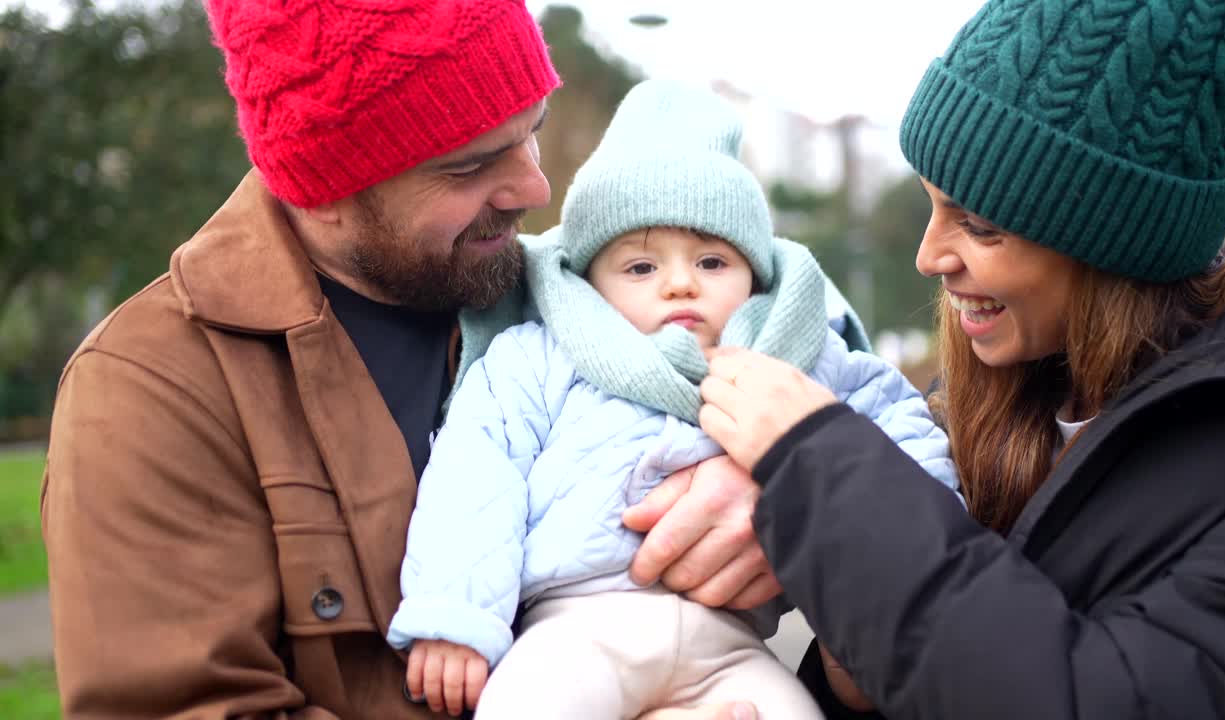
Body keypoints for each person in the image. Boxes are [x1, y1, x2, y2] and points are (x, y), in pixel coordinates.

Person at [39, 2, 770, 718]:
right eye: (471, 166)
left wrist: (784, 496)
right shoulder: (151, 390)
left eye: (532, 133)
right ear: (323, 189)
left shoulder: (586, 299)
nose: (533, 189)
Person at [687, 0, 1225, 717]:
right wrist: (848, 683)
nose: (929, 255)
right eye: (931, 204)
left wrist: (815, 467)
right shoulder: (992, 390)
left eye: (981, 226)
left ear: (1116, 243)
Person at [386, 79, 960, 719]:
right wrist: (456, 614)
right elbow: (476, 475)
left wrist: (923, 546)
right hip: (574, 634)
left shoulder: (802, 357)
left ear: (755, 271)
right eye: (640, 268)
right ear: (589, 283)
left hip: (733, 647)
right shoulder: (539, 357)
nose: (681, 283)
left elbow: (900, 433)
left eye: (713, 262)